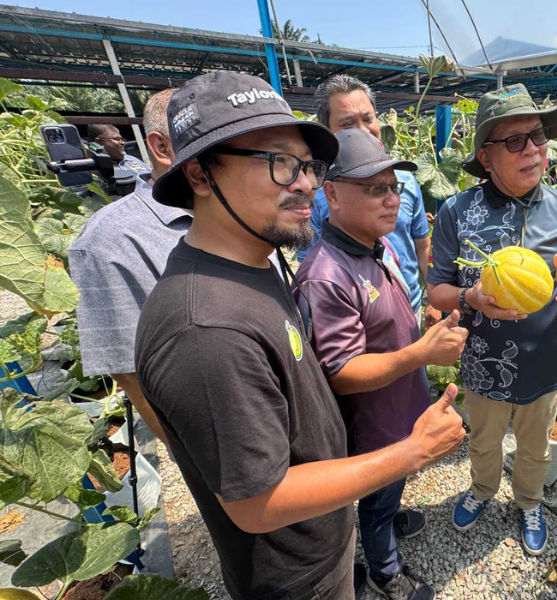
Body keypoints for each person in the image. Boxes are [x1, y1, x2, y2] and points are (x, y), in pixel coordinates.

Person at [134, 72, 465, 600]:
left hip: (323, 540)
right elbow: (256, 503)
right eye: (277, 162)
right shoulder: (205, 329)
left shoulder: (255, 264)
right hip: (295, 579)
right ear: (199, 174)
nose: (305, 183)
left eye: (306, 165)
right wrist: (412, 452)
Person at [427, 84, 557, 556]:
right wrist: (471, 297)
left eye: (537, 137)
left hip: (546, 366)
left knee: (535, 450)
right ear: (485, 157)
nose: (531, 148)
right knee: (483, 444)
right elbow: (437, 289)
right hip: (483, 367)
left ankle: (529, 501)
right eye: (514, 141)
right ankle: (483, 490)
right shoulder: (456, 212)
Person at [297, 128, 467, 600]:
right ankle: (385, 571)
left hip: (398, 406)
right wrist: (422, 353)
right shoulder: (326, 274)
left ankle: (388, 518)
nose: (392, 199)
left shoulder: (377, 244)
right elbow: (340, 372)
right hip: (372, 425)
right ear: (330, 193)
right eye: (375, 188)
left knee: (391, 489)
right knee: (376, 495)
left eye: (393, 187)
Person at [69, 88, 183, 443]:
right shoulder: (108, 242)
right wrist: (202, 462)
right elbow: (130, 374)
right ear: (161, 148)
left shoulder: (236, 212)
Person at [297, 75, 442, 329]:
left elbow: (421, 246)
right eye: (347, 124)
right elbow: (312, 268)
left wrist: (434, 298)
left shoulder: (406, 178)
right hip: (362, 319)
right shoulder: (313, 193)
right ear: (326, 131)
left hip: (411, 306)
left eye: (368, 119)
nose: (363, 130)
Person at [86, 123, 152, 178]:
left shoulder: (132, 159)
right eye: (117, 139)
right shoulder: (89, 169)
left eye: (122, 139)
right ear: (99, 142)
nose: (122, 143)